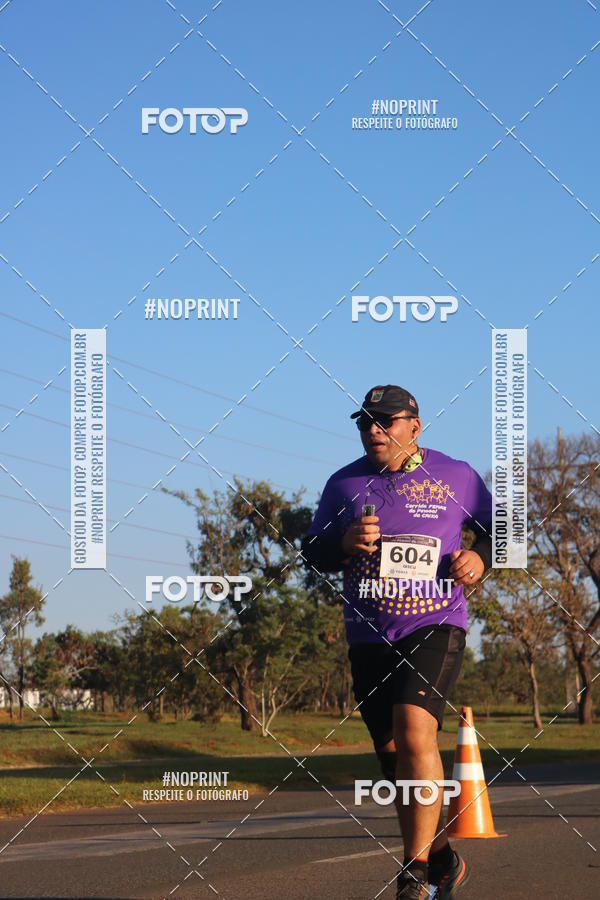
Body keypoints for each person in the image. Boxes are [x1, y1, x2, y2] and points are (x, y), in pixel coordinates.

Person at [301, 385, 492, 899]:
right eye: (365, 422)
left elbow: (501, 530)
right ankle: (443, 858)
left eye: (385, 421)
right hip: (367, 633)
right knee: (393, 760)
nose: (373, 430)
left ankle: (414, 873)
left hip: (434, 621)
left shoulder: (456, 476)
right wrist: (342, 544)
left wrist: (480, 558)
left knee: (414, 733)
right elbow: (313, 548)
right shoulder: (343, 484)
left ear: (415, 426)